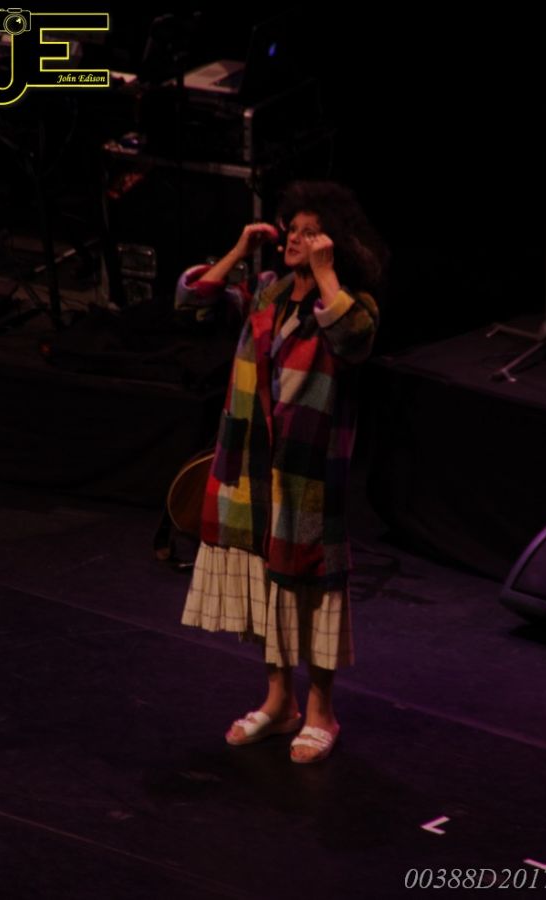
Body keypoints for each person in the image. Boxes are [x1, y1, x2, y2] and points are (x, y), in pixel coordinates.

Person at [178, 180, 387, 763]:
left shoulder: (349, 304)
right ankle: (279, 703)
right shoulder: (266, 292)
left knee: (314, 588)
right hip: (252, 463)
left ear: (332, 242)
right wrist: (239, 250)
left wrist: (325, 273)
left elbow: (354, 339)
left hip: (308, 473)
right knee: (266, 584)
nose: (295, 239)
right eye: (292, 230)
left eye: (309, 233)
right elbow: (193, 301)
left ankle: (321, 712)